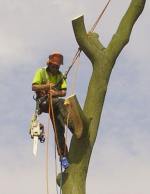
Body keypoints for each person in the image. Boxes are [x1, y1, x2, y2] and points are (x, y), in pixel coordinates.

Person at [32, 52, 69, 169]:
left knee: (60, 130)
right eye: (54, 66)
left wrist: (56, 92)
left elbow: (63, 92)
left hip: (55, 105)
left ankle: (63, 156)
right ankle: (69, 120)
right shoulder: (41, 72)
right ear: (49, 64)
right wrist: (46, 87)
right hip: (43, 102)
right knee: (61, 102)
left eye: (58, 66)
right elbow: (34, 87)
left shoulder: (60, 76)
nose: (56, 68)